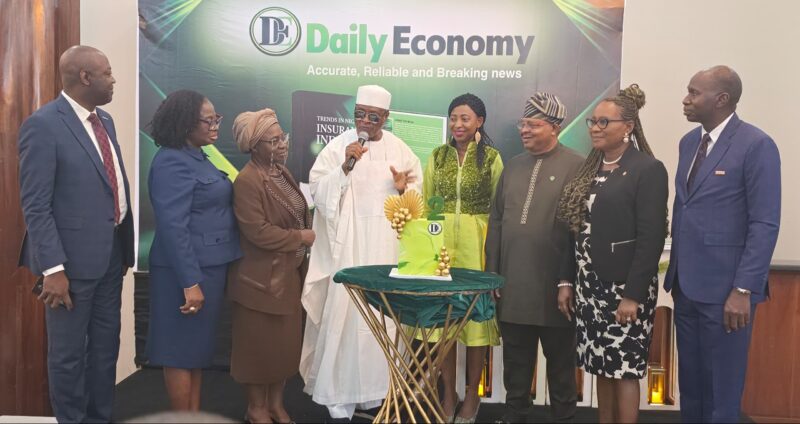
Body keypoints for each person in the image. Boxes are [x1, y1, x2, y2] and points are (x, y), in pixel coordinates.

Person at [17, 45, 134, 423]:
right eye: (108, 73)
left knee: (104, 350)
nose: (113, 80)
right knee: (68, 357)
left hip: (110, 256)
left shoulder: (105, 121)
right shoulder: (43, 125)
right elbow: (36, 205)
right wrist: (53, 268)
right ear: (85, 77)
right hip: (68, 267)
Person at [665, 66, 781, 423]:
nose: (685, 99)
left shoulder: (756, 145)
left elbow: (764, 223)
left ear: (721, 99)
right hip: (686, 287)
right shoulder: (689, 142)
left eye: (694, 92)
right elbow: (686, 207)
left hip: (728, 293)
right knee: (692, 387)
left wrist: (743, 288)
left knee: (722, 392)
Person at [300, 85, 423, 419]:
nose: (365, 122)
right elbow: (319, 192)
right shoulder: (339, 146)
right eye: (359, 115)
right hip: (348, 249)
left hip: (385, 251)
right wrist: (344, 168)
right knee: (346, 317)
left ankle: (377, 394)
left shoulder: (400, 150)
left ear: (386, 117)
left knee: (383, 322)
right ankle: (339, 398)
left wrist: (404, 190)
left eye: (373, 117)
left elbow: (416, 200)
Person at [556, 84, 668, 423]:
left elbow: (651, 238)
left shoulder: (647, 169)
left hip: (624, 289)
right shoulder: (589, 168)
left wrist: (632, 295)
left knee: (625, 367)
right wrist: (566, 281)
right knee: (599, 364)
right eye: (592, 121)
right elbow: (573, 228)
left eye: (604, 122)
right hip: (589, 287)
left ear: (628, 127)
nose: (595, 127)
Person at [485, 92, 584, 423]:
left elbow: (579, 229)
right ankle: (515, 416)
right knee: (515, 364)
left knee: (561, 366)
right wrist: (492, 272)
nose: (524, 130)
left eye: (533, 124)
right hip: (512, 285)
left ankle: (564, 418)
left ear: (555, 127)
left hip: (555, 287)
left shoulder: (577, 165)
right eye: (522, 124)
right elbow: (496, 222)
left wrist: (567, 280)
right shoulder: (513, 166)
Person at [146, 89, 242, 411]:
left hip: (209, 268)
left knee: (196, 353)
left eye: (217, 118)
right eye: (208, 120)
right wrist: (190, 282)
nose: (215, 126)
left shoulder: (198, 156)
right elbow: (173, 226)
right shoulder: (171, 162)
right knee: (178, 352)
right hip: (184, 273)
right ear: (186, 123)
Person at [229, 108, 315, 424]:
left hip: (287, 277)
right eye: (273, 140)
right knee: (258, 351)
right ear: (254, 146)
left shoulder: (281, 172)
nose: (282, 144)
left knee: (283, 349)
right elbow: (258, 232)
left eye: (283, 137)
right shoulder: (247, 180)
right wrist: (300, 237)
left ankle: (276, 406)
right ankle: (256, 409)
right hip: (260, 283)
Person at [421, 93, 503, 423]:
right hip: (441, 249)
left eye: (465, 118)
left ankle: (472, 395)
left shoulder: (492, 159)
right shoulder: (437, 156)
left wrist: (492, 252)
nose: (458, 124)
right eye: (453, 118)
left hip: (476, 247)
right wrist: (430, 246)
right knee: (445, 324)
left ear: (479, 122)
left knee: (475, 322)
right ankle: (447, 394)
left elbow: (499, 210)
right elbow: (428, 203)